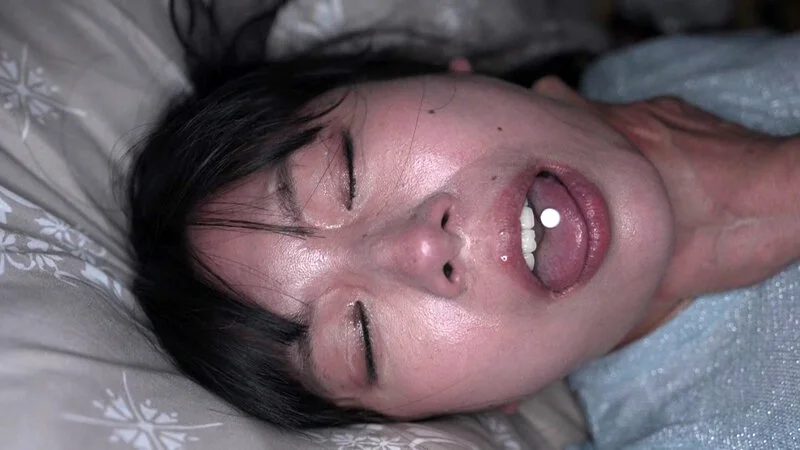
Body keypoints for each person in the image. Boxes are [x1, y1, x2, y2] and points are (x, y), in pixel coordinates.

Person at [127, 0, 800, 446]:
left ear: (442, 75)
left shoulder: (633, 74)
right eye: (363, 339)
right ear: (485, 404)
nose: (420, 247)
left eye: (347, 174)